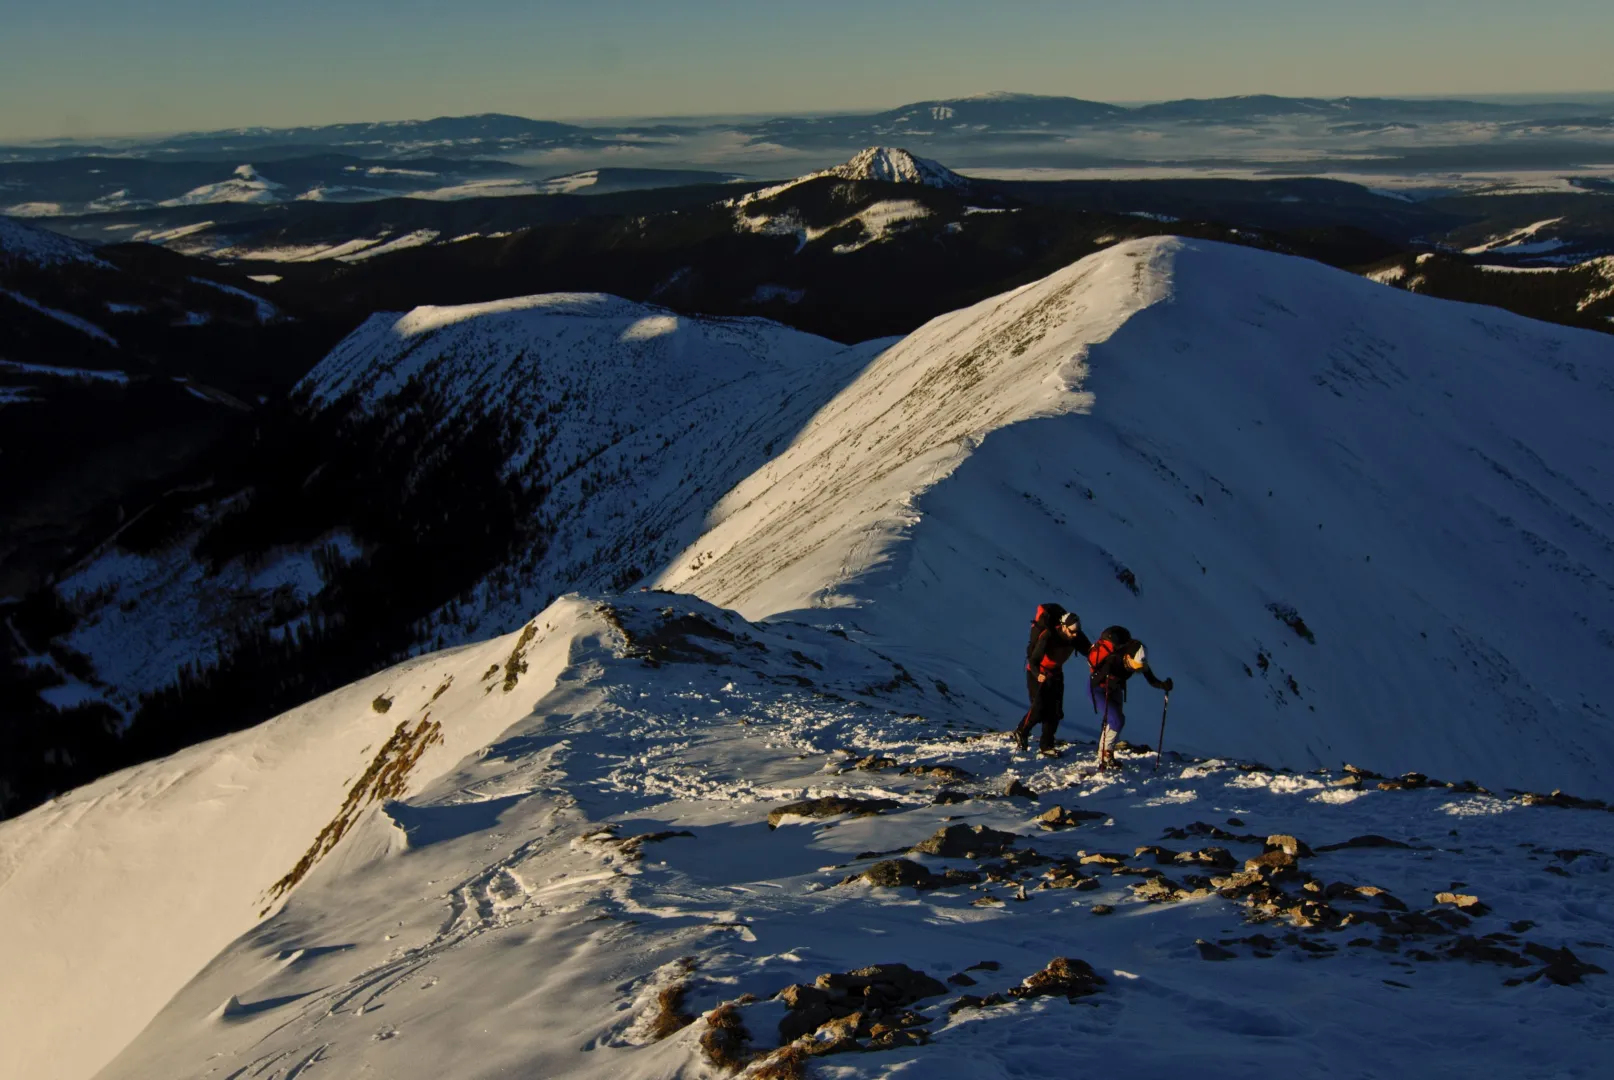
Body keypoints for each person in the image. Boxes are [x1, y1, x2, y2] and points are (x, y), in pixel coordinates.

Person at [1014, 610, 1090, 754]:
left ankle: (1047, 745)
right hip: (1037, 673)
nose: (1075, 634)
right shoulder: (1048, 636)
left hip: (1055, 673)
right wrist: (1038, 675)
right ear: (1063, 626)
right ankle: (1021, 731)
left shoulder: (1077, 636)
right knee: (1039, 708)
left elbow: (1089, 652)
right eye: (1072, 631)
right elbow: (1034, 660)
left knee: (1055, 711)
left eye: (1077, 631)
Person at [1090, 637, 1172, 768]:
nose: (1138, 669)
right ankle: (1105, 754)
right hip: (1099, 691)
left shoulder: (1139, 661)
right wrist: (1106, 676)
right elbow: (1094, 681)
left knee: (1113, 721)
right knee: (1117, 720)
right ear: (1128, 657)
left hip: (1115, 690)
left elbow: (1151, 679)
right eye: (1137, 665)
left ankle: (1105, 754)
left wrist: (1163, 685)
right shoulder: (1114, 660)